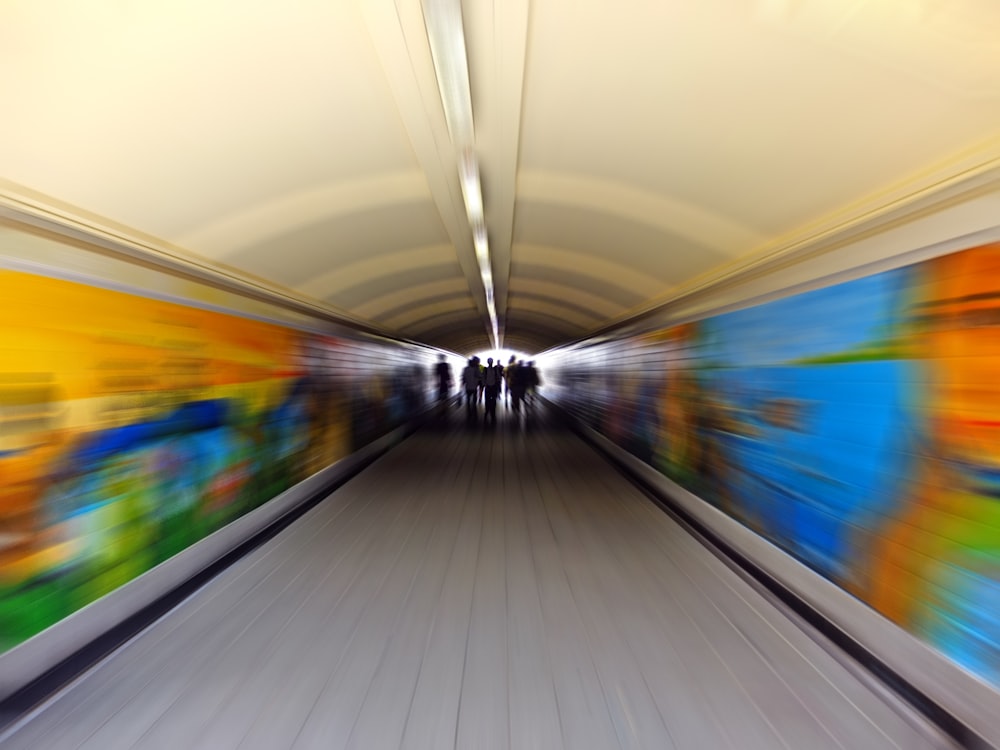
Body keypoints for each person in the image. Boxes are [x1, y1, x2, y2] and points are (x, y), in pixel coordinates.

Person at [482, 357, 501, 425]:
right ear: (488, 362)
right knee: (488, 401)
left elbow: (498, 378)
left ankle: (491, 413)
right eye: (489, 362)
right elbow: (483, 378)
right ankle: (488, 412)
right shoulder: (485, 369)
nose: (490, 363)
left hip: (492, 387)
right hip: (489, 387)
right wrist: (485, 385)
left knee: (493, 401)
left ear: (492, 362)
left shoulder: (495, 369)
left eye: (491, 362)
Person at [461, 357, 481, 421]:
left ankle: (469, 413)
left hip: (468, 387)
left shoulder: (465, 369)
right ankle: (474, 413)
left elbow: (463, 378)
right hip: (474, 387)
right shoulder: (476, 369)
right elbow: (480, 376)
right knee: (474, 402)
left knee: (468, 401)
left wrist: (462, 386)